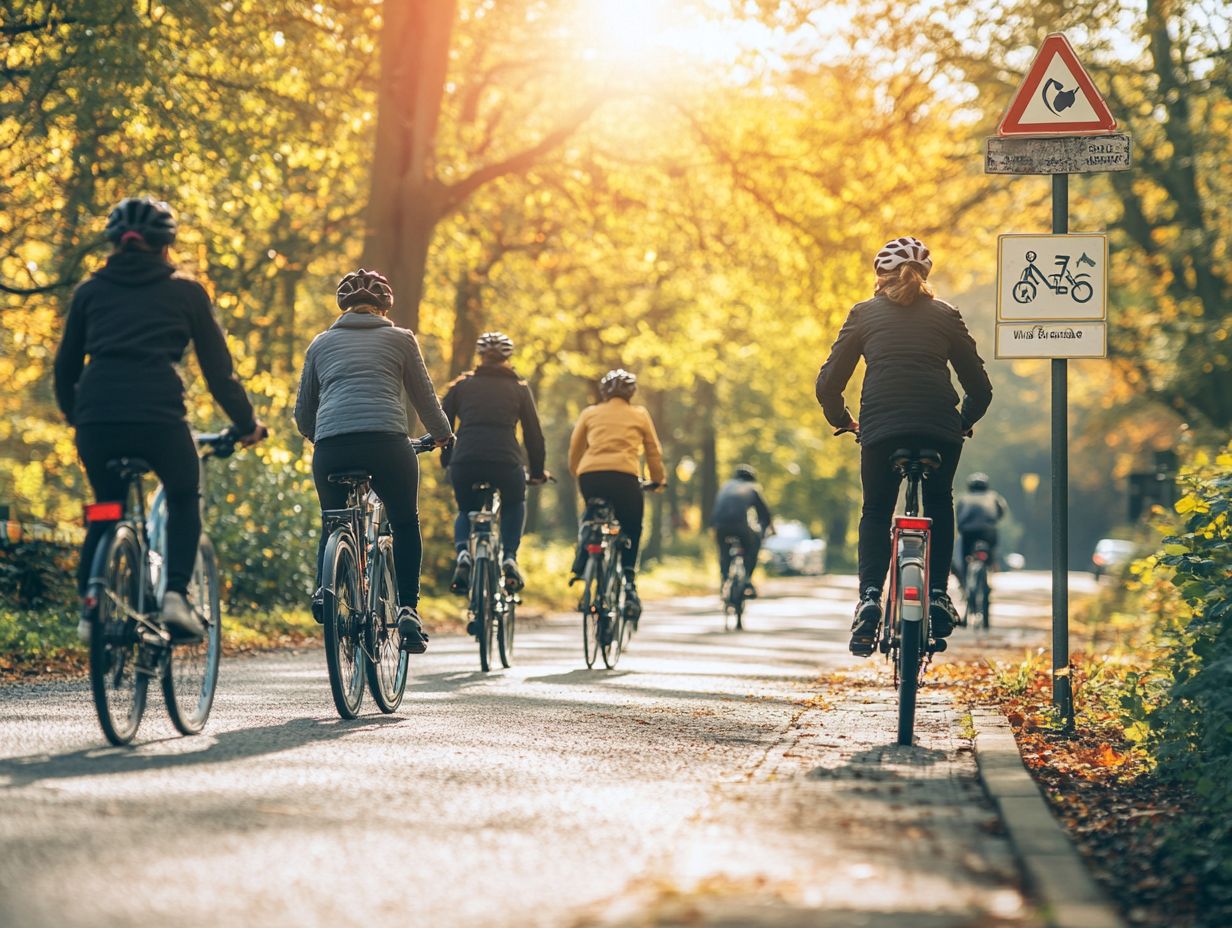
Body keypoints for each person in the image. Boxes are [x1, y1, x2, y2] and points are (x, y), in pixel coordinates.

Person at [54, 197, 267, 642]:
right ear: (166, 246)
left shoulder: (89, 292)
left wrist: (80, 420)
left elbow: (65, 368)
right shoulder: (185, 292)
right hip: (159, 414)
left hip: (97, 416)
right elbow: (218, 373)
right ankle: (173, 595)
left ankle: (90, 608)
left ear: (114, 243)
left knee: (106, 508)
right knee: (184, 494)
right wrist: (246, 423)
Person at [815, 236, 993, 656]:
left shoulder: (863, 314)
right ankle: (936, 595)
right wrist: (961, 424)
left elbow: (827, 385)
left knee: (877, 510)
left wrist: (843, 421)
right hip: (938, 428)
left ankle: (871, 598)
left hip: (881, 427)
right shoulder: (947, 315)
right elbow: (981, 388)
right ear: (926, 276)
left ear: (879, 277)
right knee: (939, 502)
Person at [294, 268, 453, 654]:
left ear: (343, 307)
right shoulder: (401, 339)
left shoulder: (319, 344)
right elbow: (424, 396)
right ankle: (408, 610)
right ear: (384, 306)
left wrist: (328, 439)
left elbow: (303, 415)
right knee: (403, 520)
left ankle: (325, 589)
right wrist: (444, 434)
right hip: (387, 445)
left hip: (332, 448)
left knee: (333, 520)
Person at [442, 332, 549, 605]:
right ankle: (510, 557)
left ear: (481, 357)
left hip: (465, 461)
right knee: (514, 502)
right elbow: (534, 435)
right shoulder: (519, 388)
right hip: (505, 461)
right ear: (507, 358)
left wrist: (447, 461)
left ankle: (464, 552)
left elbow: (442, 426)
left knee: (466, 510)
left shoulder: (461, 387)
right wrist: (537, 471)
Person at [568, 369, 667, 619]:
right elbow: (653, 451)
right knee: (632, 527)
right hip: (625, 476)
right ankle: (630, 581)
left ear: (604, 392)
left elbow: (575, 448)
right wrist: (657, 480)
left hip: (590, 475)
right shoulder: (639, 414)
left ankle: (584, 557)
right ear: (631, 394)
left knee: (592, 517)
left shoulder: (590, 413)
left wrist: (577, 472)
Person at [711, 464, 774, 598]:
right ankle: (746, 581)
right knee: (754, 543)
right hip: (740, 526)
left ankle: (725, 579)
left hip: (719, 525)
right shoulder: (752, 488)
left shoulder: (725, 487)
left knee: (724, 552)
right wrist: (763, 533)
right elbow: (764, 515)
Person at [955, 472, 1008, 578]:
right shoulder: (994, 497)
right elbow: (1001, 511)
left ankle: (964, 579)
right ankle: (992, 563)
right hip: (988, 531)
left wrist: (960, 527)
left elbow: (959, 515)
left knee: (964, 555)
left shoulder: (964, 498)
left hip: (968, 532)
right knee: (992, 549)